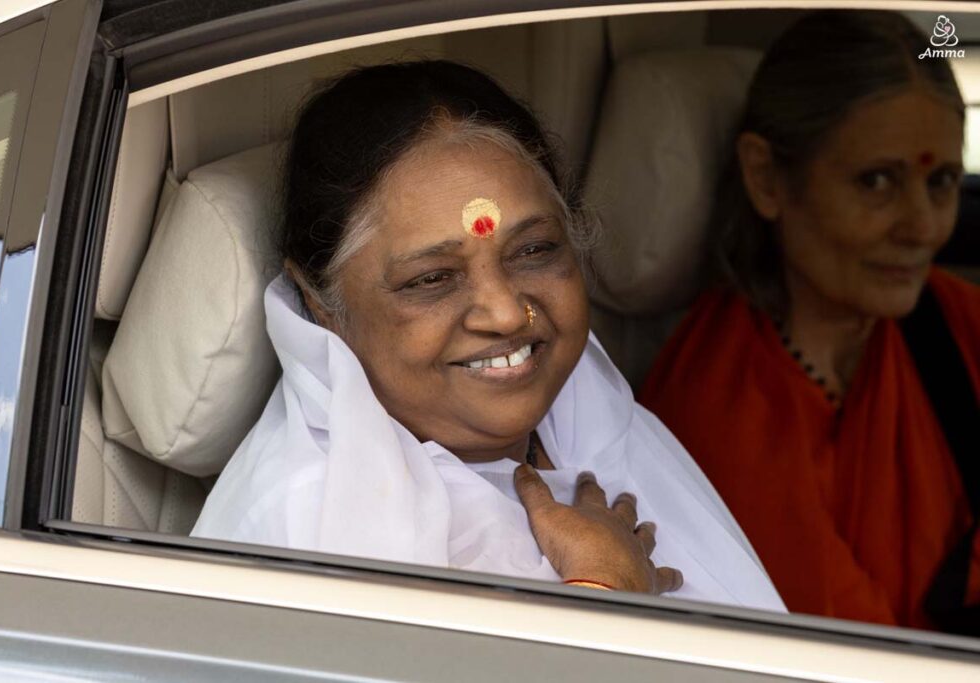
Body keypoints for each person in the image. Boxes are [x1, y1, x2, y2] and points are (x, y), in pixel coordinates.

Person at [192, 60, 784, 610]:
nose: (505, 313)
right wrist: (604, 594)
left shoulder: (600, 425)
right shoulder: (313, 529)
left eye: (534, 250)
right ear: (322, 306)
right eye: (431, 279)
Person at [639, 10, 978, 631]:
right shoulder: (723, 416)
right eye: (877, 181)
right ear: (767, 178)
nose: (924, 227)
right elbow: (862, 661)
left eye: (942, 182)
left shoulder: (956, 320)